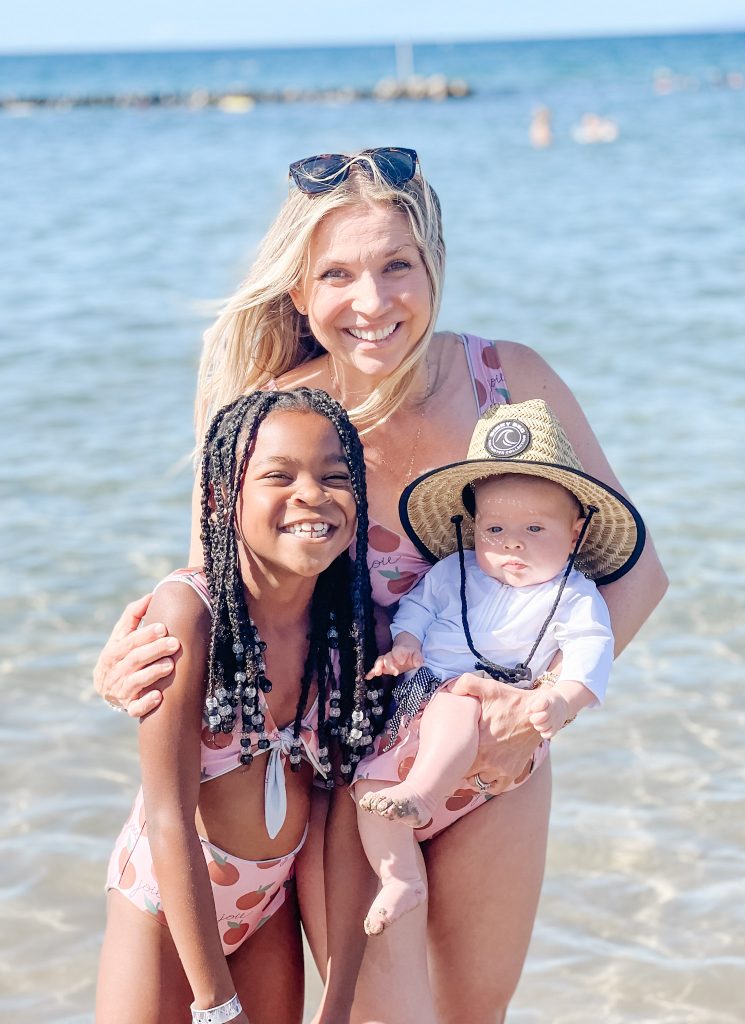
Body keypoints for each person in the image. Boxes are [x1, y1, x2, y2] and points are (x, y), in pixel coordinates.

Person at [94, 147, 667, 1024]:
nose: (372, 302)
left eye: (397, 265)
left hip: (493, 753)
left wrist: (542, 708)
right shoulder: (276, 414)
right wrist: (125, 661)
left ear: (433, 264)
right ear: (300, 291)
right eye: (338, 274)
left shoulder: (505, 383)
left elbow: (637, 572)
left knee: (474, 1014)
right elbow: (219, 591)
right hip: (347, 776)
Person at [96, 388, 379, 1024]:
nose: (311, 494)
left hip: (267, 904)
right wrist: (217, 1005)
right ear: (227, 498)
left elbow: (340, 820)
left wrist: (339, 998)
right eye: (279, 476)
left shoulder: (347, 633)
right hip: (167, 906)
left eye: (335, 477)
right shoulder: (191, 614)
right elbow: (169, 815)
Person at [354, 398, 642, 935]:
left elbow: (589, 652)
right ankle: (399, 879)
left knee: (457, 703)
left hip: (486, 710)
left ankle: (422, 794)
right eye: (496, 530)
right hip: (414, 708)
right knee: (367, 790)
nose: (512, 542)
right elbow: (416, 607)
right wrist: (406, 643)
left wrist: (561, 699)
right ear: (474, 527)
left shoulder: (571, 595)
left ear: (576, 532)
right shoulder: (453, 571)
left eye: (535, 529)